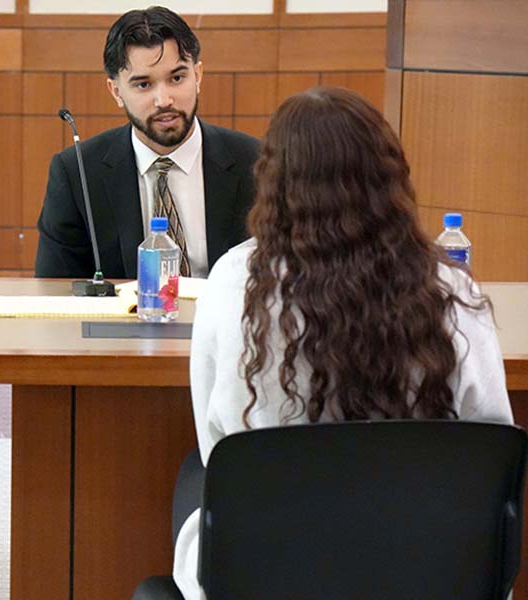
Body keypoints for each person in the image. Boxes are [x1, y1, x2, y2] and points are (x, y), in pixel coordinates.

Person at [170, 87, 513, 600]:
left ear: (273, 180)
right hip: (426, 570)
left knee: (197, 471)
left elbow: (215, 439)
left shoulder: (235, 283)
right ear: (389, 175)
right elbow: (490, 451)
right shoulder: (451, 289)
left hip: (270, 570)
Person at [35, 6, 259, 280]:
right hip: (118, 323)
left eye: (177, 78)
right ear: (116, 91)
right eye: (143, 85)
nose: (163, 100)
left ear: (198, 75)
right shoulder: (77, 172)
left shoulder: (257, 162)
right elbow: (56, 288)